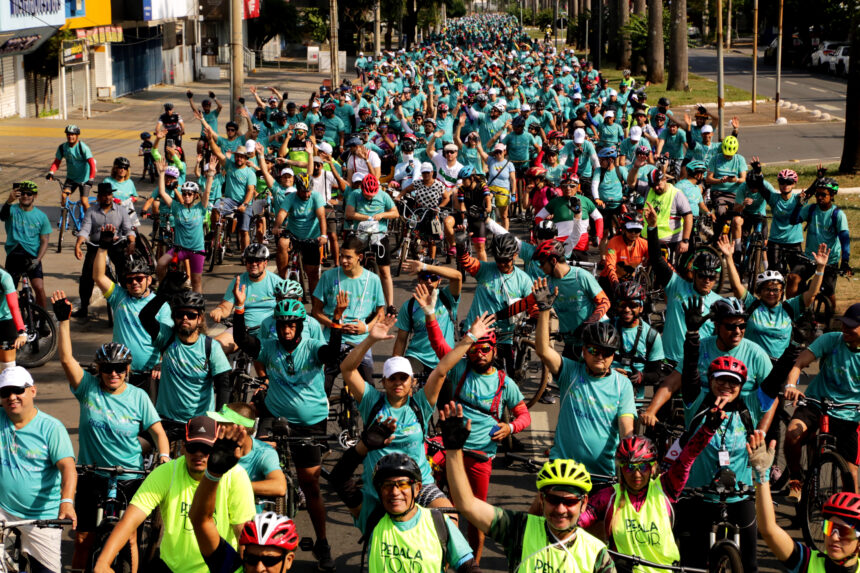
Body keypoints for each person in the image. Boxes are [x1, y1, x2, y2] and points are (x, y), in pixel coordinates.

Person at [54, 291, 169, 570]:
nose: (113, 373)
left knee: (128, 538)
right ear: (99, 369)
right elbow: (67, 359)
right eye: (107, 368)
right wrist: (63, 321)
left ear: (127, 369)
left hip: (129, 477)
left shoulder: (138, 397)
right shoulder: (88, 387)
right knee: (83, 538)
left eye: (119, 368)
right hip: (91, 474)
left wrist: (164, 456)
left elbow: (158, 433)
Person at [233, 287, 346, 571]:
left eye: (291, 325)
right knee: (257, 467)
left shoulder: (310, 346)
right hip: (275, 415)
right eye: (283, 324)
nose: (286, 329)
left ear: (299, 326)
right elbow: (241, 340)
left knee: (310, 484)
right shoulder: (269, 347)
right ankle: (249, 537)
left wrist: (337, 321)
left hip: (310, 422)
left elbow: (332, 354)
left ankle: (322, 542)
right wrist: (239, 309)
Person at [672, 299, 786, 573]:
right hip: (697, 494)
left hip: (740, 496)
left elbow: (773, 385)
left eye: (733, 382)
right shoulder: (696, 402)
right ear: (709, 381)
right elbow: (688, 372)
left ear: (741, 387)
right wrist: (692, 336)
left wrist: (793, 350)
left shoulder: (749, 408)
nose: (726, 386)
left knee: (749, 565)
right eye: (720, 380)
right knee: (690, 565)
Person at [441, 402, 616, 573]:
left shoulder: (597, 553)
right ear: (541, 499)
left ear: (584, 503)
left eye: (569, 502)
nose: (561, 509)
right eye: (553, 500)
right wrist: (454, 451)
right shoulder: (520, 529)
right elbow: (467, 505)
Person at [93, 416, 255, 573]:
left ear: (216, 449)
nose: (198, 454)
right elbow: (129, 521)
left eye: (206, 449)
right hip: (172, 568)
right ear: (183, 447)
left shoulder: (235, 476)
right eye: (193, 447)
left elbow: (242, 533)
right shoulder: (166, 473)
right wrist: (103, 562)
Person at [578, 423, 722, 573]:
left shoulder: (666, 488)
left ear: (653, 467)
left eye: (643, 467)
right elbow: (576, 521)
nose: (637, 474)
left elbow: (687, 458)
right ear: (621, 469)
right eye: (629, 467)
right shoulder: (608, 497)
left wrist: (708, 429)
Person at [533, 279, 635, 475]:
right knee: (543, 506)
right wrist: (544, 310)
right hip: (562, 470)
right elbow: (543, 349)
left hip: (602, 474)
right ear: (583, 351)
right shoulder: (570, 371)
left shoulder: (623, 385)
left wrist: (630, 459)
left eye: (607, 352)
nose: (600, 356)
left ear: (614, 355)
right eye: (594, 350)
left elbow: (626, 428)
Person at [189, 423, 299, 573]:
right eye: (251, 559)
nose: (259, 568)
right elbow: (200, 520)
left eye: (270, 560)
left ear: (288, 560)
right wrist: (213, 474)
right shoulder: (233, 567)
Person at [0, 366, 77, 573]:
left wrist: (67, 502)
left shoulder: (52, 428)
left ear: (32, 391)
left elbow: (68, 467)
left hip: (42, 516)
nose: (12, 397)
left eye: (18, 390)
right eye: (5, 393)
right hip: (3, 510)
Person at [753, 433, 860, 573]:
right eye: (829, 527)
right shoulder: (807, 562)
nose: (834, 536)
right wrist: (762, 477)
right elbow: (769, 530)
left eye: (844, 532)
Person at [783, 302, 860, 497]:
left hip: (850, 412)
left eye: (851, 326)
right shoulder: (831, 339)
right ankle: (795, 478)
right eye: (844, 324)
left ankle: (849, 523)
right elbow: (799, 363)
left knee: (850, 474)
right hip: (817, 401)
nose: (845, 329)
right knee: (792, 433)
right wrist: (791, 386)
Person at [717, 235, 830, 361]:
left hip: (779, 368)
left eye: (775, 290)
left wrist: (820, 268)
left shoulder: (790, 307)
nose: (771, 293)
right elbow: (736, 286)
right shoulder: (752, 304)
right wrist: (728, 257)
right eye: (767, 289)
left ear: (782, 292)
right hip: (752, 364)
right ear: (759, 291)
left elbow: (812, 294)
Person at [140, 289, 231, 441]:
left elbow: (224, 385)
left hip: (200, 422)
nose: (184, 318)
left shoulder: (210, 347)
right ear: (173, 317)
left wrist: (219, 420)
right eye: (179, 314)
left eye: (191, 315)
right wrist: (164, 293)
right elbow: (145, 317)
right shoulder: (166, 337)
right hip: (166, 420)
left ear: (200, 318)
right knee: (137, 452)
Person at [312, 235, 386, 387]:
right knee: (322, 385)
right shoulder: (328, 276)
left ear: (359, 257)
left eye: (348, 257)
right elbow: (316, 311)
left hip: (360, 341)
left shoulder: (373, 280)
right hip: (331, 339)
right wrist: (335, 324)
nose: (343, 261)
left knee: (369, 389)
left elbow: (381, 313)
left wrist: (365, 327)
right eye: (341, 256)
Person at [457, 232, 533, 374]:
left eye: (506, 260)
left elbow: (532, 305)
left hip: (504, 336)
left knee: (507, 376)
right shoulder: (485, 269)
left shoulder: (523, 280)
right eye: (498, 260)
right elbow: (466, 261)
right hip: (476, 333)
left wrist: (532, 320)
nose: (501, 264)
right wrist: (461, 246)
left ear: (515, 255)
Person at [73, 182, 136, 320]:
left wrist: (132, 241)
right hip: (96, 246)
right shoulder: (91, 211)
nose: (107, 197)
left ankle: (130, 302)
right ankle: (84, 307)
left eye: (109, 194)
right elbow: (85, 229)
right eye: (104, 195)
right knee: (86, 276)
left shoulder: (121, 210)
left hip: (115, 245)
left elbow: (128, 228)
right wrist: (78, 244)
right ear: (98, 197)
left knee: (125, 271)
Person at [206, 404, 286, 511]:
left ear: (240, 429)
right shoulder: (213, 445)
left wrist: (234, 486)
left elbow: (279, 487)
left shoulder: (264, 452)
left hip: (247, 519)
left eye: (223, 426)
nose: (217, 430)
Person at [210, 243, 285, 354]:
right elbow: (225, 307)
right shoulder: (238, 282)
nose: (253, 264)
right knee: (214, 348)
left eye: (258, 261)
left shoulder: (276, 282)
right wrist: (219, 311)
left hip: (270, 331)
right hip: (242, 330)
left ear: (265, 263)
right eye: (250, 261)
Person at [787, 177, 852, 301]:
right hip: (809, 258)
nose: (819, 197)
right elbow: (793, 221)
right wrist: (799, 205)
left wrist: (845, 261)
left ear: (832, 195)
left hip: (829, 260)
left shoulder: (838, 215)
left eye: (823, 194)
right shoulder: (811, 209)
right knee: (792, 278)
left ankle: (831, 317)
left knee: (828, 294)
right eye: (817, 194)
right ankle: (790, 312)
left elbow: (844, 239)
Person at [393, 258, 462, 374]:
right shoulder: (409, 306)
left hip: (445, 358)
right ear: (419, 279)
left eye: (434, 278)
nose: (429, 281)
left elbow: (458, 277)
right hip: (417, 357)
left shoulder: (448, 297)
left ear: (439, 281)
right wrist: (394, 367)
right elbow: (401, 340)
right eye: (425, 277)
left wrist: (425, 267)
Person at [155, 164, 212, 293]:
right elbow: (162, 192)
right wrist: (162, 173)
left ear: (195, 196)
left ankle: (199, 308)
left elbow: (207, 192)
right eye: (184, 193)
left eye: (189, 194)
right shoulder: (176, 207)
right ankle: (164, 288)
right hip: (179, 249)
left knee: (196, 281)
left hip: (196, 250)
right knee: (160, 264)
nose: (186, 196)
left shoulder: (200, 208)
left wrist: (210, 174)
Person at [345, 173, 398, 306]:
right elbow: (349, 213)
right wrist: (366, 217)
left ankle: (390, 304)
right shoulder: (354, 195)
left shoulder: (383, 195)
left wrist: (382, 214)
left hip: (379, 233)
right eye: (367, 194)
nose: (369, 197)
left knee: (385, 271)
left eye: (372, 194)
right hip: (360, 232)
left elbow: (395, 213)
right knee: (349, 264)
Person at [611, 282, 665, 399]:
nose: (626, 309)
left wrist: (641, 376)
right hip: (605, 393)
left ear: (641, 308)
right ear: (616, 306)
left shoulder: (651, 336)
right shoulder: (605, 329)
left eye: (632, 305)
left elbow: (656, 374)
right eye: (622, 304)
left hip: (633, 399)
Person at [2, 181, 50, 311]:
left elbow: (44, 241)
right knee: (7, 290)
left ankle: (43, 320)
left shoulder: (42, 216)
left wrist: (38, 259)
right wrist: (9, 201)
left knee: (39, 288)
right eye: (22, 193)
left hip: (32, 257)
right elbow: (2, 216)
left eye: (29, 194)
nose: (25, 196)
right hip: (14, 255)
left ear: (35, 196)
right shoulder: (12, 209)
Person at [277, 175, 328, 297]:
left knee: (312, 274)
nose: (306, 195)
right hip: (294, 235)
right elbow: (282, 213)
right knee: (282, 243)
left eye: (308, 191)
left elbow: (321, 216)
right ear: (297, 189)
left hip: (311, 237)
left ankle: (315, 304)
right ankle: (282, 278)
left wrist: (324, 235)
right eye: (303, 192)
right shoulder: (291, 198)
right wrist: (276, 226)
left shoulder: (316, 197)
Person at [600, 212, 648, 294]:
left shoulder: (644, 243)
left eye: (637, 230)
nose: (633, 233)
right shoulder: (613, 242)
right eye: (630, 230)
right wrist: (615, 282)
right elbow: (610, 264)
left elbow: (656, 259)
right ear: (624, 229)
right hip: (610, 280)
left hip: (630, 282)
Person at [47, 124, 96, 202]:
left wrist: (91, 179)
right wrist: (51, 172)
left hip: (85, 179)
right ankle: (64, 214)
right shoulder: (62, 147)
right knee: (64, 196)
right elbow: (57, 162)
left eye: (72, 134)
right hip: (71, 178)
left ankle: (88, 214)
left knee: (84, 201)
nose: (70, 136)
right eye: (68, 134)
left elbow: (92, 163)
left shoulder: (83, 147)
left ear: (77, 136)